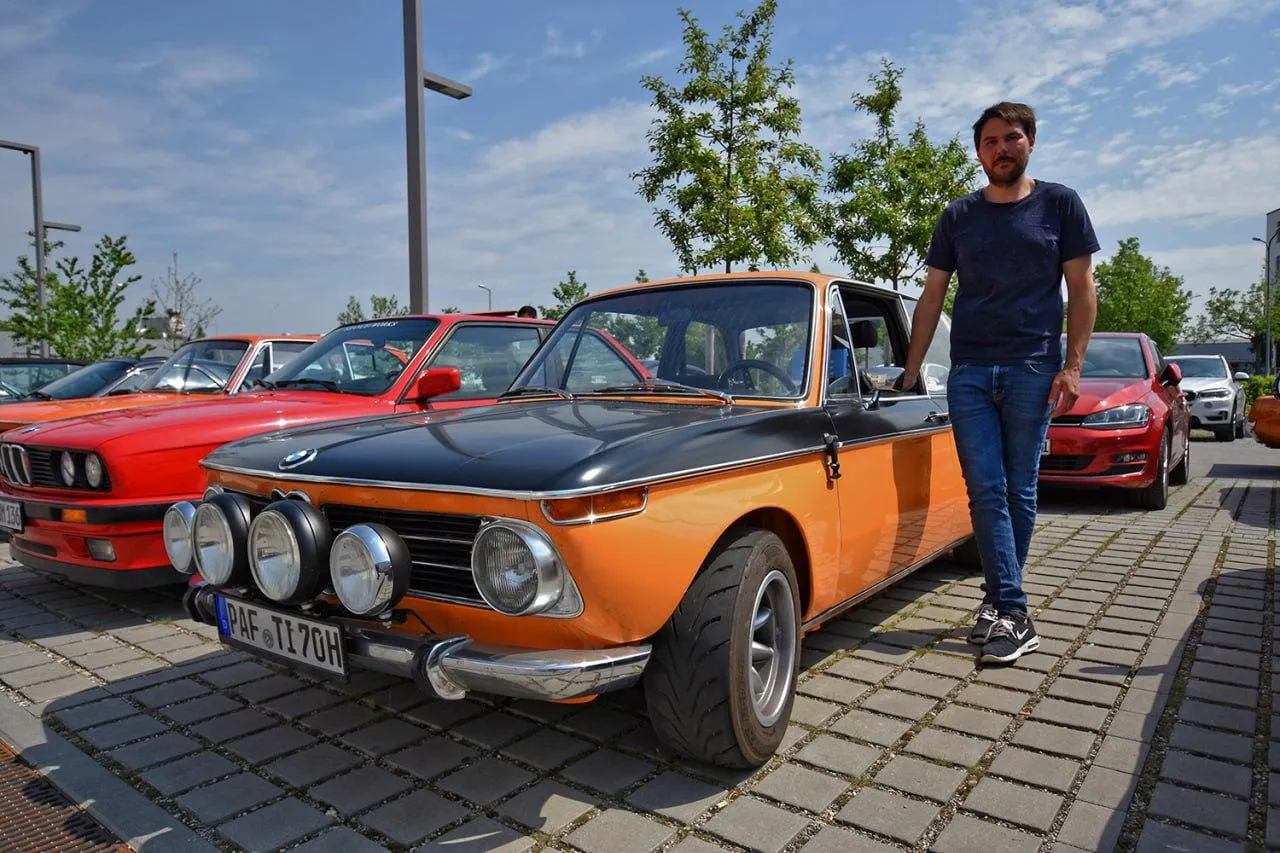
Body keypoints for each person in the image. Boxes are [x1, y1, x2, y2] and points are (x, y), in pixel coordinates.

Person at [901, 101, 1099, 665]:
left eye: (1011, 138)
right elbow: (933, 294)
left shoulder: (1059, 204)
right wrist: (911, 370)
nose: (1000, 149)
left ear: (1030, 141)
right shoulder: (958, 216)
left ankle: (1000, 604)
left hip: (1033, 367)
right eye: (989, 142)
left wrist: (1074, 365)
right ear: (978, 151)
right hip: (968, 371)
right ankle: (1012, 610)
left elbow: (1083, 290)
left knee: (1019, 490)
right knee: (985, 489)